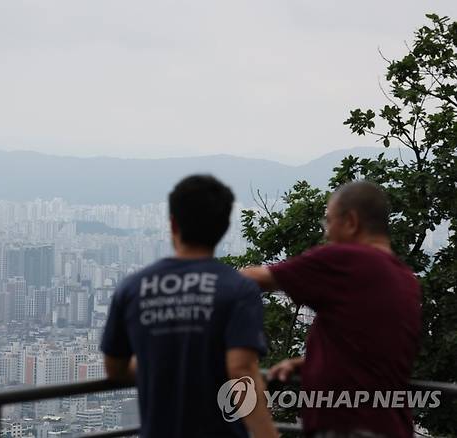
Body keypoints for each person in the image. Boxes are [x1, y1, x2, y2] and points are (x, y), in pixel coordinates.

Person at [100, 175, 278, 438]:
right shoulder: (238, 289)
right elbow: (242, 370)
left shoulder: (133, 288)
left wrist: (159, 360)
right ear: (224, 226)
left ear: (173, 223)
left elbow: (114, 368)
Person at [242, 180, 421, 438]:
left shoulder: (347, 260)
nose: (326, 233)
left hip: (349, 427)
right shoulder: (406, 278)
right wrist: (310, 363)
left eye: (328, 221)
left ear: (350, 221)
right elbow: (375, 352)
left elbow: (249, 280)